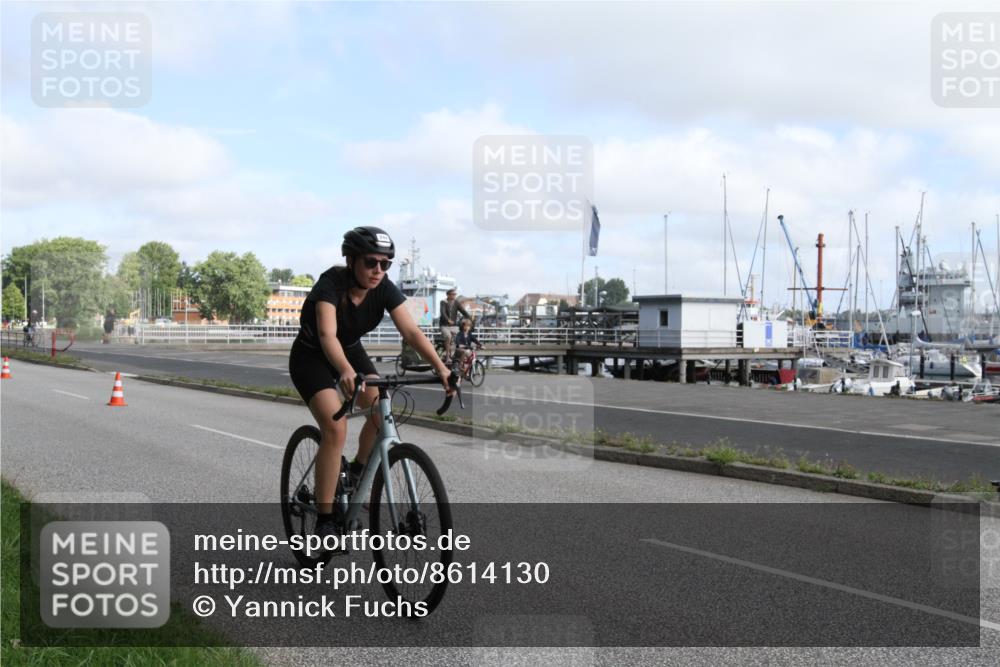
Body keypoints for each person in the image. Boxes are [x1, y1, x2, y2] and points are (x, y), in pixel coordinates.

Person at [288, 226, 453, 538]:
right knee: (336, 428)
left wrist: (441, 368)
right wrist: (345, 371)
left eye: (385, 263)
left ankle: (357, 470)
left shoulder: (384, 288)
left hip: (349, 350)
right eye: (371, 262)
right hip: (312, 356)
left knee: (382, 410)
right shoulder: (330, 284)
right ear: (351, 260)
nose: (379, 270)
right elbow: (327, 335)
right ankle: (325, 518)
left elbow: (412, 333)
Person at [438, 288, 470, 363]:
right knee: (448, 336)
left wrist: (469, 318)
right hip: (444, 325)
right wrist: (448, 320)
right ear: (448, 295)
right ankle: (447, 357)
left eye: (455, 294)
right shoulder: (443, 302)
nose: (454, 296)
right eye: (452, 294)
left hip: (454, 326)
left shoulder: (456, 302)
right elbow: (443, 313)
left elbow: (463, 311)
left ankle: (458, 355)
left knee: (460, 337)